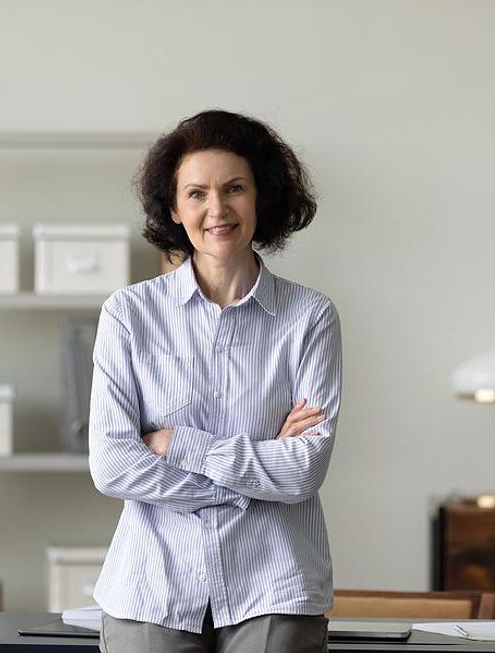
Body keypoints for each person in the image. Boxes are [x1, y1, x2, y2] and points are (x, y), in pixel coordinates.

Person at [88, 109, 342, 653]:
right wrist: (254, 476)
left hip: (276, 581)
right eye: (197, 193)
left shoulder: (310, 317)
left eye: (235, 189)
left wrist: (179, 445)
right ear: (174, 208)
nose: (217, 209)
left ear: (262, 197)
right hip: (151, 584)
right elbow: (112, 465)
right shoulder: (128, 314)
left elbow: (304, 472)